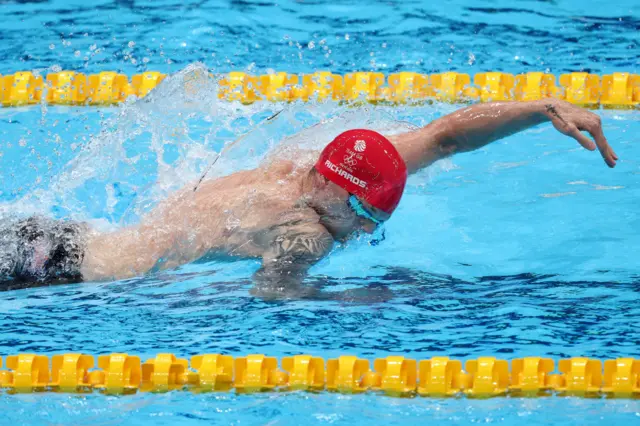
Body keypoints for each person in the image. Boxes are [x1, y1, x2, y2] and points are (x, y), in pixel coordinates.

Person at [0, 98, 618, 297]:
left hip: (58, 235)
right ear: (333, 190)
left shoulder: (323, 170)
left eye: (377, 216)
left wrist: (543, 110)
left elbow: (445, 135)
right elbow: (274, 289)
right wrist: (352, 298)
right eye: (362, 212)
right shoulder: (307, 227)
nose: (364, 228)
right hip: (58, 272)